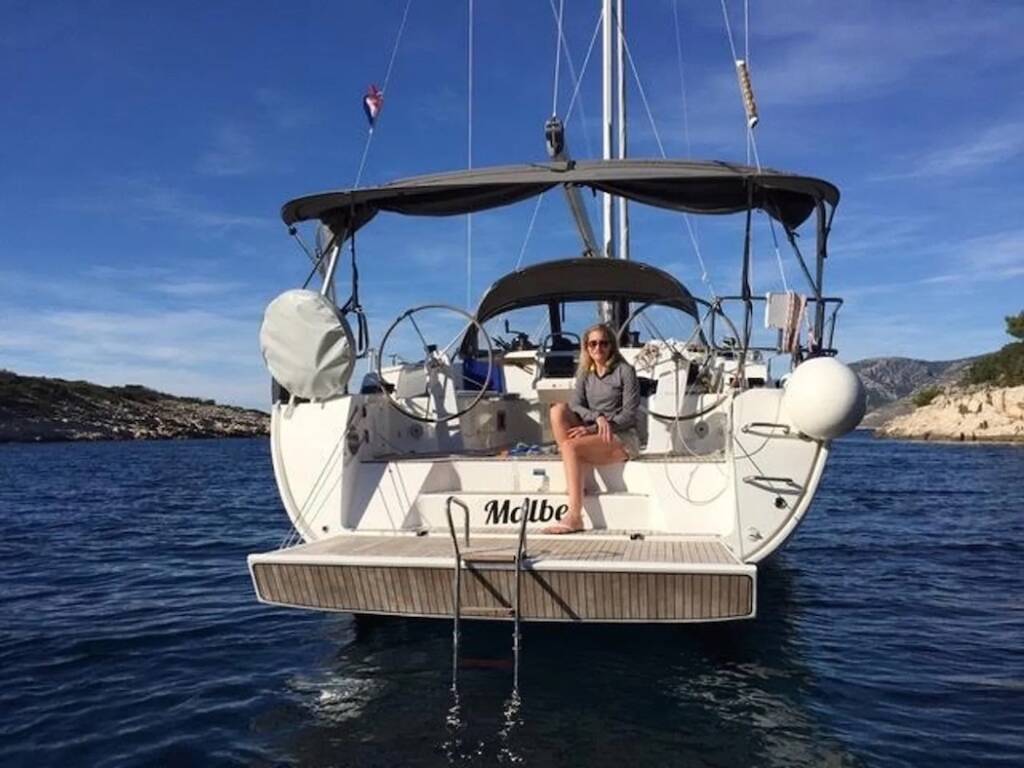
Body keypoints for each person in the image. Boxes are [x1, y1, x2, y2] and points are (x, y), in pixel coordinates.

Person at [543, 322, 641, 534]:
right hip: (596, 430)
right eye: (593, 344)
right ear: (586, 347)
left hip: (621, 436)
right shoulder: (585, 373)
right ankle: (579, 479)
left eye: (603, 343)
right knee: (557, 410)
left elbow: (629, 415)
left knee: (569, 446)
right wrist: (597, 418)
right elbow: (576, 405)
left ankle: (575, 516)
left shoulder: (625, 371)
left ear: (612, 346)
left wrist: (593, 428)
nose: (598, 348)